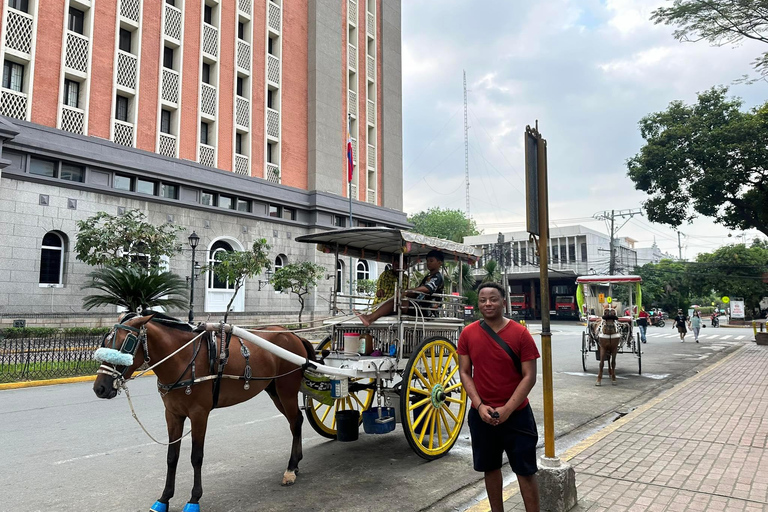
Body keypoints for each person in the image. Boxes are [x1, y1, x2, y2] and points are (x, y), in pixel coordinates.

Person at [458, 282, 541, 512]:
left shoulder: (521, 334)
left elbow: (529, 376)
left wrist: (507, 410)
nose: (488, 304)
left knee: (525, 470)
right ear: (478, 304)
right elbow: (465, 372)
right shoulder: (468, 333)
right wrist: (479, 405)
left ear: (504, 302)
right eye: (483, 300)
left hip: (518, 415)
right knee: (490, 467)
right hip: (481, 415)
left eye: (493, 299)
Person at [357, 250, 444, 327]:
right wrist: (404, 293)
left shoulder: (437, 277)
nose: (428, 263)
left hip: (427, 310)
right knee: (397, 301)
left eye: (431, 261)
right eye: (427, 261)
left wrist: (408, 291)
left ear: (440, 263)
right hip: (419, 306)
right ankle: (374, 317)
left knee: (399, 301)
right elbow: (416, 292)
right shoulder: (427, 277)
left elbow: (427, 289)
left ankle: (370, 318)